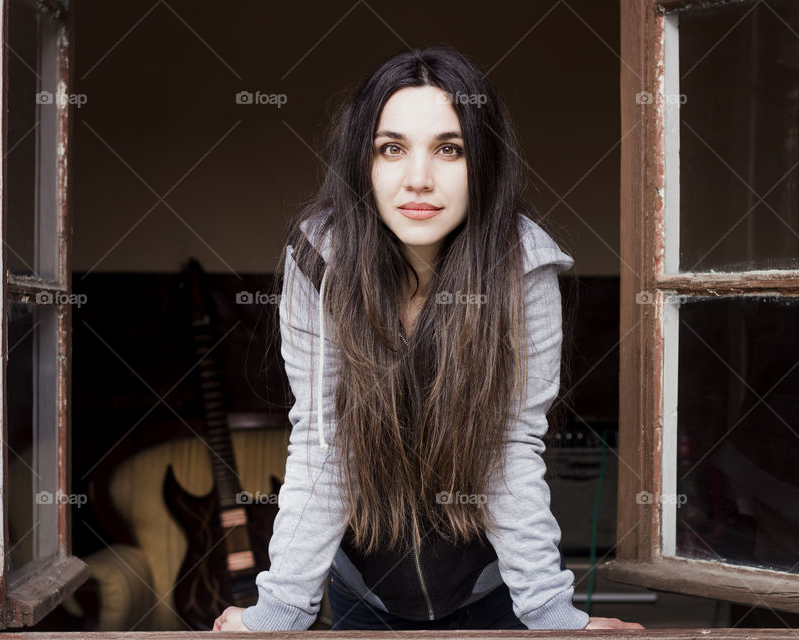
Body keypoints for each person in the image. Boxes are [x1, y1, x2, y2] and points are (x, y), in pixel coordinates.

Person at [213, 45, 643, 632]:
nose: (419, 179)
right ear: (362, 164)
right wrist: (281, 613)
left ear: (483, 161)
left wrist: (550, 613)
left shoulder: (525, 266)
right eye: (391, 149)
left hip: (491, 591)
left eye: (450, 149)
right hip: (362, 590)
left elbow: (512, 449)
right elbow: (322, 440)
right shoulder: (320, 259)